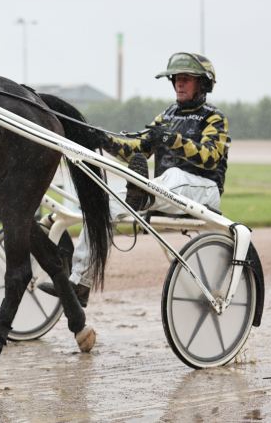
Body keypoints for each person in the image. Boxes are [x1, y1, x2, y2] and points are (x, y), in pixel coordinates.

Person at [40, 52, 230, 307]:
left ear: (203, 84)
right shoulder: (167, 116)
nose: (179, 84)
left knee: (173, 176)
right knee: (105, 205)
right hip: (166, 192)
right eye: (176, 79)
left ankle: (144, 194)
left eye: (186, 79)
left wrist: (173, 140)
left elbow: (210, 157)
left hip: (203, 190)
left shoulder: (214, 118)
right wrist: (104, 140)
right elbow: (136, 150)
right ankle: (80, 283)